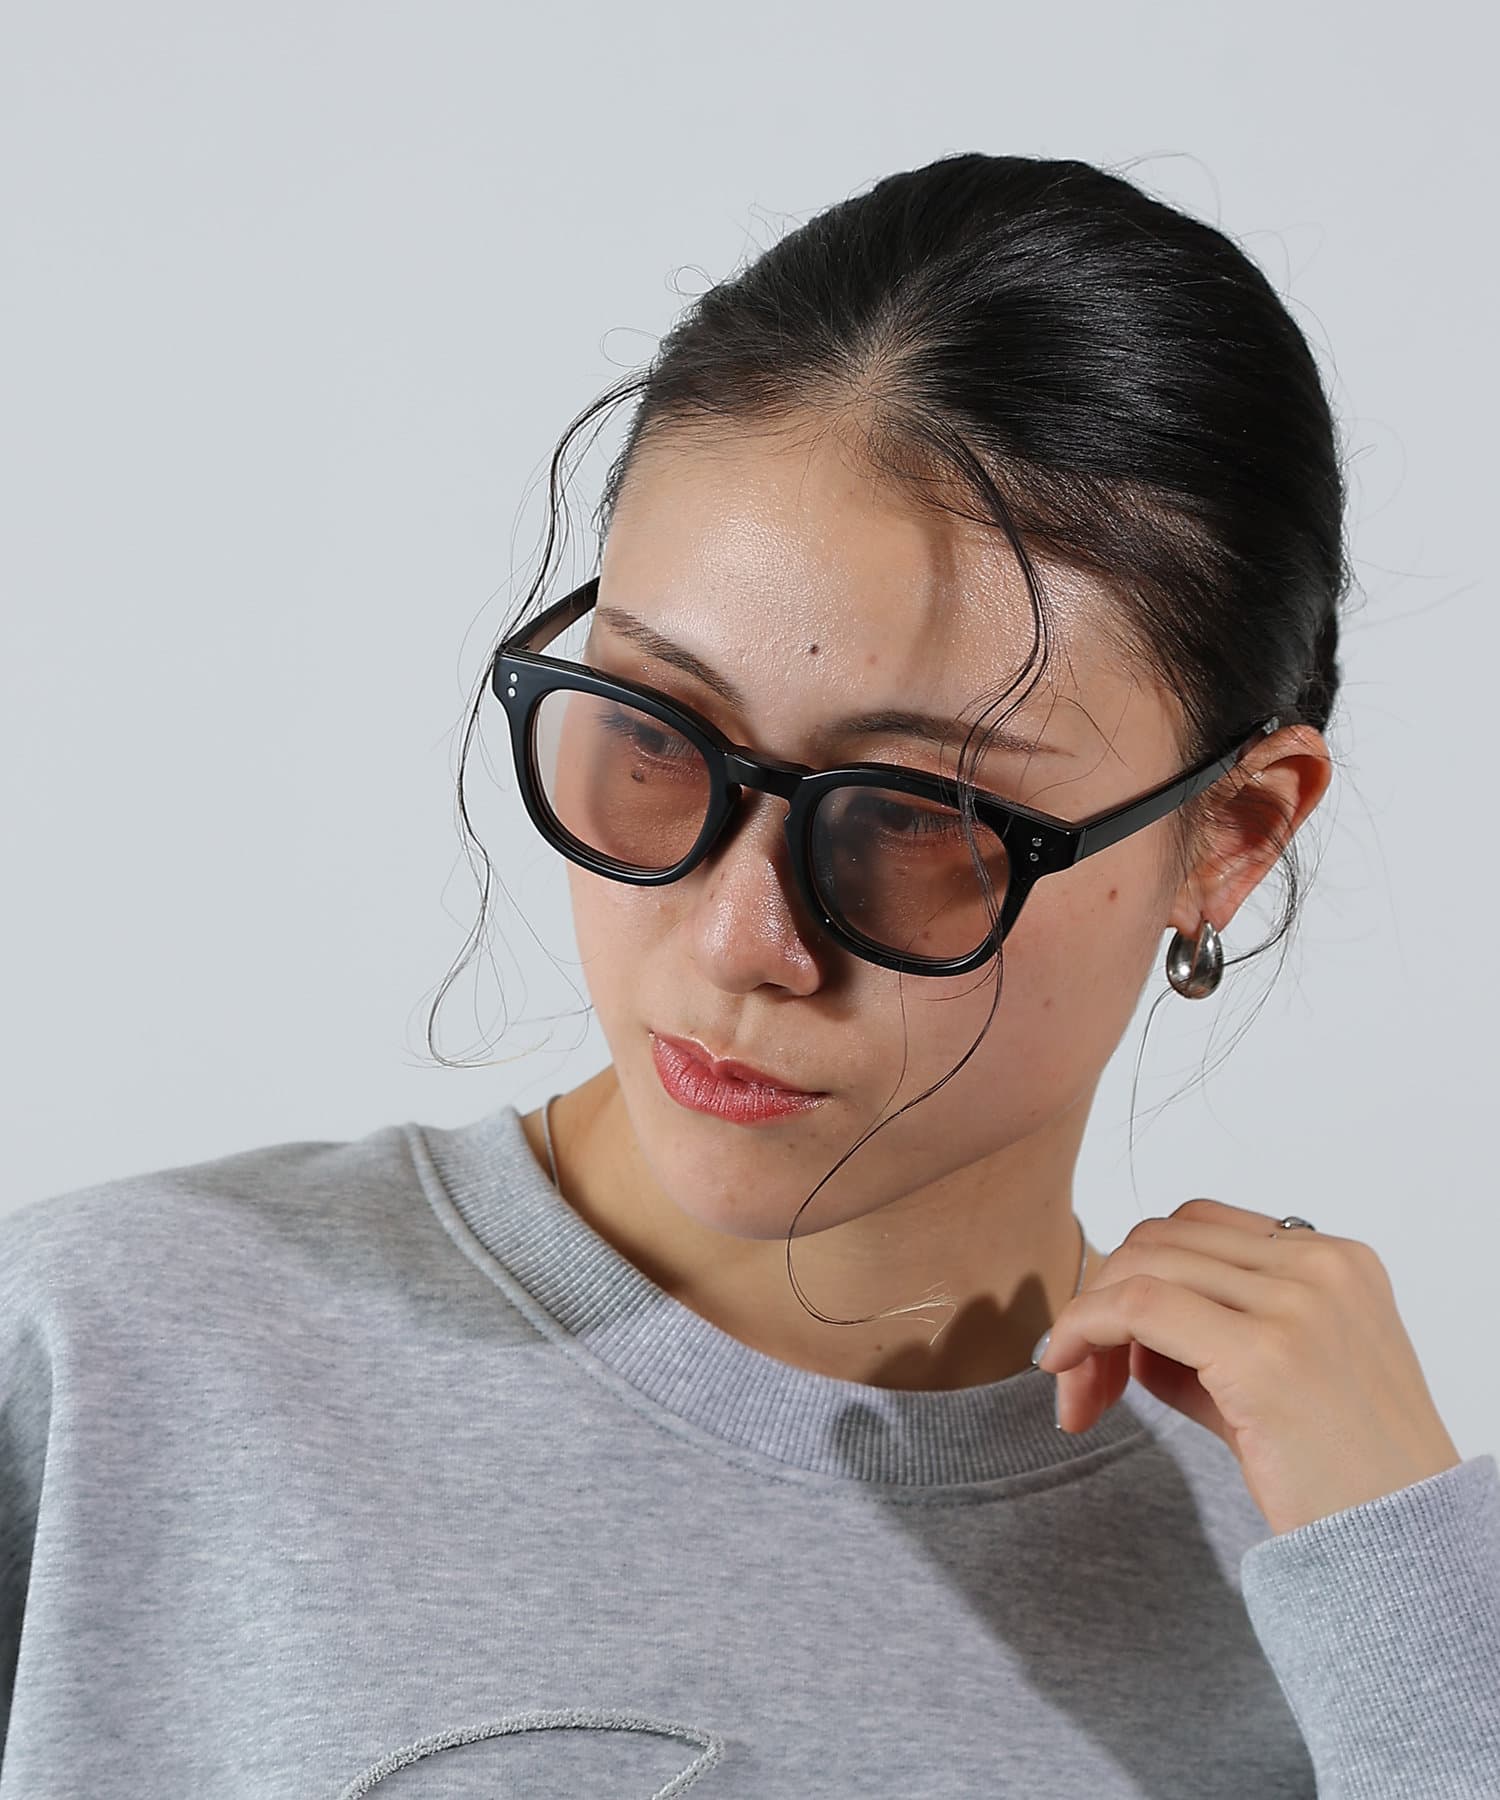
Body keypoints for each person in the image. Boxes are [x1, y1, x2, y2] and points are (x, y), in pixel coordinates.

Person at [2, 152, 1496, 1797]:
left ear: (1233, 833)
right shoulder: (107, 1359)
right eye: (657, 733)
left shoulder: (1356, 1599)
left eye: (921, 820)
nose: (738, 941)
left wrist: (1420, 1603)